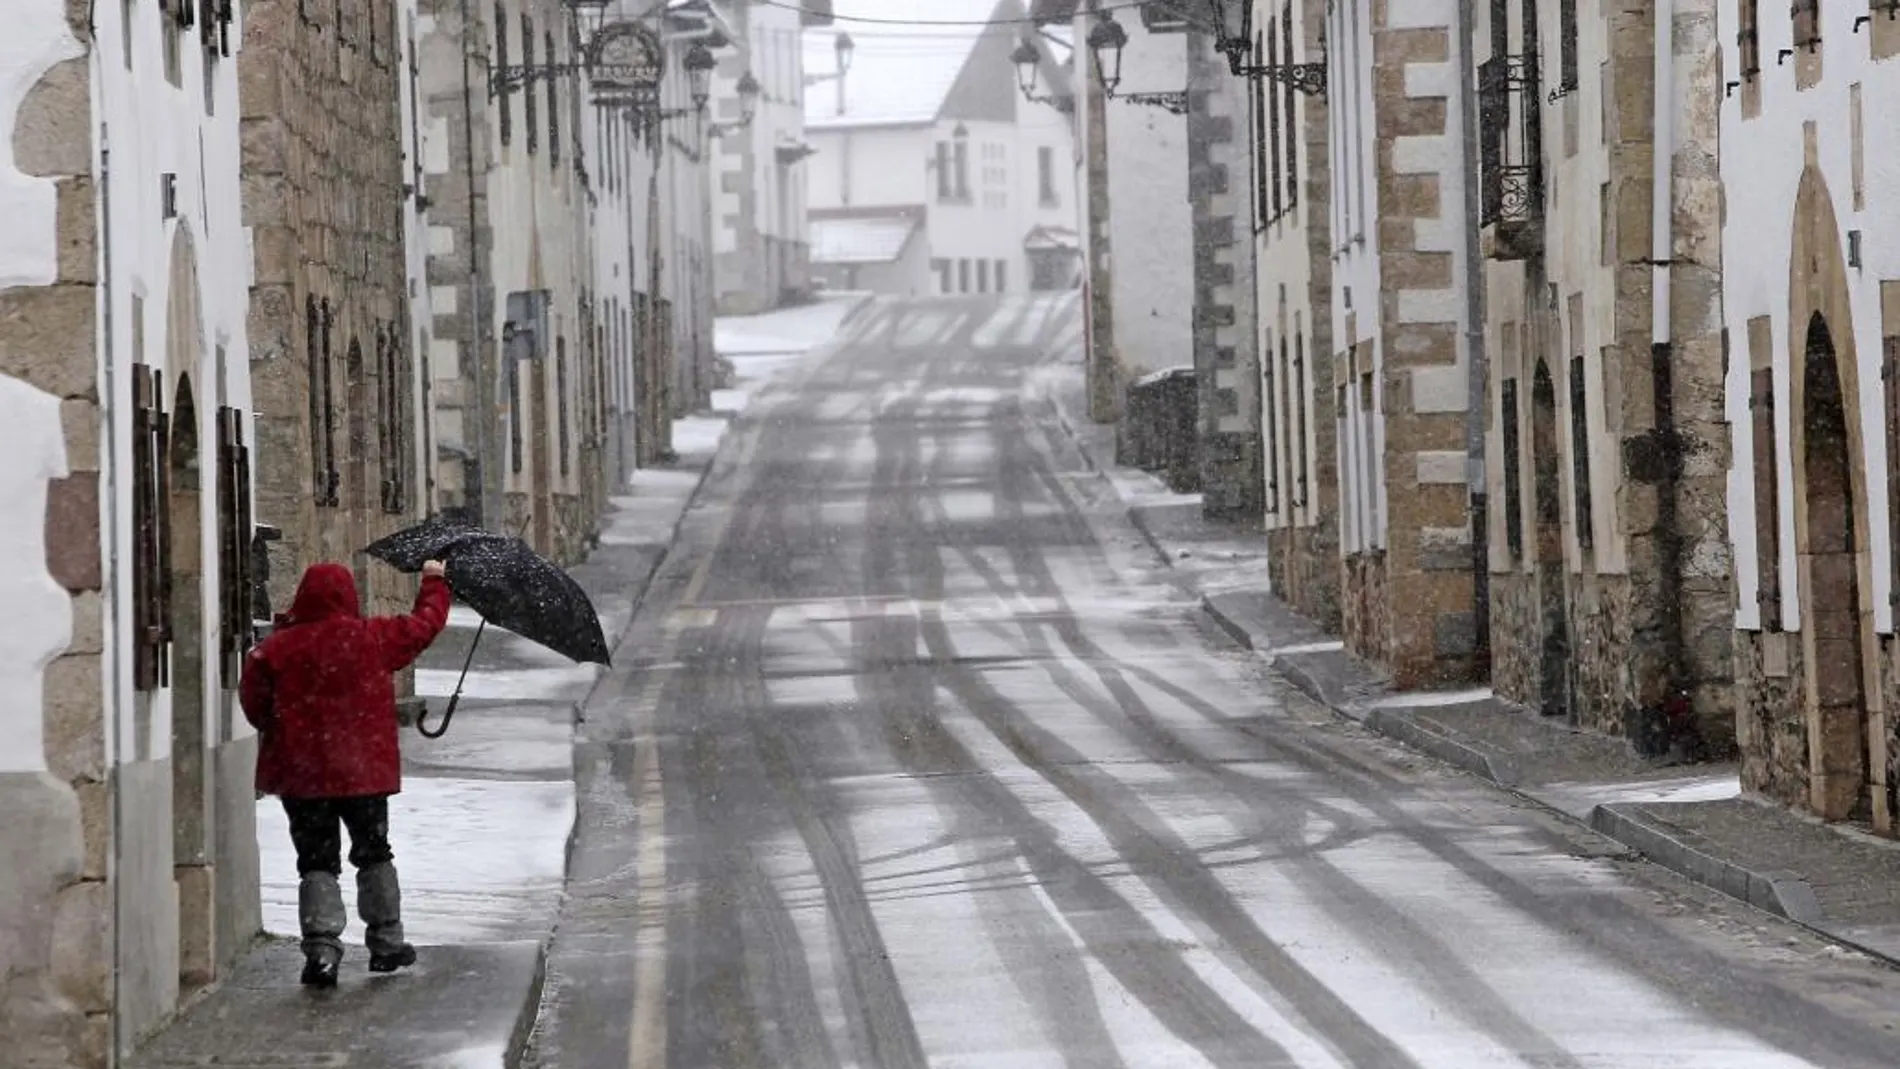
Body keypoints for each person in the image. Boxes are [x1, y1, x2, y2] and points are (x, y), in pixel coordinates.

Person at [239, 560, 452, 987]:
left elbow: (254, 706)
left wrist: (290, 730)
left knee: (316, 861)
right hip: (363, 775)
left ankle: (321, 950)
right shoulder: (373, 639)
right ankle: (386, 942)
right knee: (374, 853)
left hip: (304, 777)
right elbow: (424, 625)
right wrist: (434, 583)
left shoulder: (277, 650)